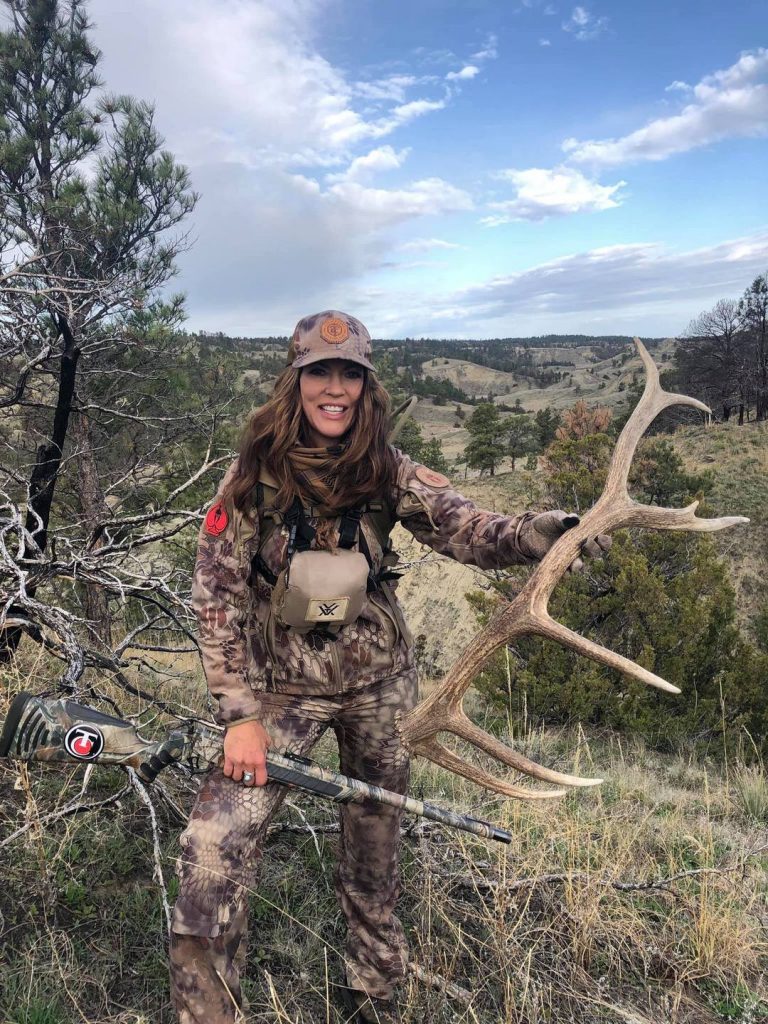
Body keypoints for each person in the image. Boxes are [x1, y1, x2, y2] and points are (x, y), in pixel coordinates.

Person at [169, 310, 609, 1023]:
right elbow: (215, 599)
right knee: (212, 853)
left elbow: (469, 530)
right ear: (296, 380)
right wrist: (240, 718)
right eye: (320, 373)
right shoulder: (252, 475)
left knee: (373, 859)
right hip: (279, 696)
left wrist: (542, 531)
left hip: (380, 691)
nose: (334, 388)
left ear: (366, 384)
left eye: (350, 374)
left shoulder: (388, 467)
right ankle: (207, 1013)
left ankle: (372, 996)